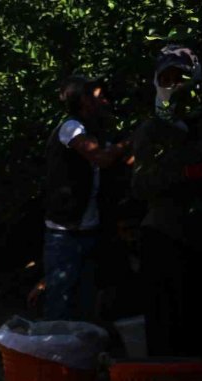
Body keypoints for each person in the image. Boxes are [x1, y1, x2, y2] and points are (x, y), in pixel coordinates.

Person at [132, 45, 202, 356]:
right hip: (165, 237)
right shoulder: (154, 129)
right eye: (166, 78)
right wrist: (187, 173)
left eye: (181, 78)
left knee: (194, 328)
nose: (174, 85)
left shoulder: (201, 127)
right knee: (166, 330)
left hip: (198, 240)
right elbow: (141, 185)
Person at [42, 75, 130, 321]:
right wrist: (128, 143)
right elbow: (101, 158)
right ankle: (51, 355)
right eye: (99, 96)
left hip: (88, 227)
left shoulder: (95, 131)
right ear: (83, 101)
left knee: (85, 298)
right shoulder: (72, 127)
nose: (105, 101)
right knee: (60, 298)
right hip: (65, 231)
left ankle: (75, 353)